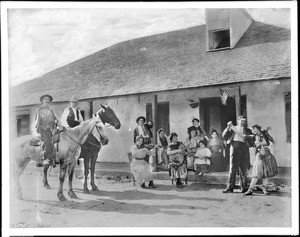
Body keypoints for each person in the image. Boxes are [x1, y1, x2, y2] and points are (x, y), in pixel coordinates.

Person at [244, 124, 278, 196]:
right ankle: (250, 189)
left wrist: (267, 133)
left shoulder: (264, 133)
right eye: (252, 130)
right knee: (256, 173)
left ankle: (264, 188)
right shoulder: (253, 137)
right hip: (259, 155)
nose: (253, 131)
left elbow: (270, 142)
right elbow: (250, 144)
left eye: (254, 129)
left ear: (257, 128)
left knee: (265, 173)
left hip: (267, 154)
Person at [222, 116, 253, 193]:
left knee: (242, 167)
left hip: (243, 147)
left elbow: (250, 138)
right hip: (234, 146)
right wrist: (227, 127)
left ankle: (244, 187)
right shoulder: (232, 127)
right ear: (238, 120)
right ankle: (230, 187)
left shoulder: (247, 130)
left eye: (244, 121)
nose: (243, 122)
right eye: (242, 121)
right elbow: (224, 135)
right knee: (232, 167)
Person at [34, 94, 59, 167]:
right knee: (47, 141)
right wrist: (39, 130)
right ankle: (44, 159)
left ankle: (54, 158)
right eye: (45, 99)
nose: (47, 100)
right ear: (42, 101)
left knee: (57, 140)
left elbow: (55, 119)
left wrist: (57, 122)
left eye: (48, 100)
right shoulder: (40, 110)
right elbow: (37, 121)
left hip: (51, 130)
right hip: (43, 130)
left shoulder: (51, 111)